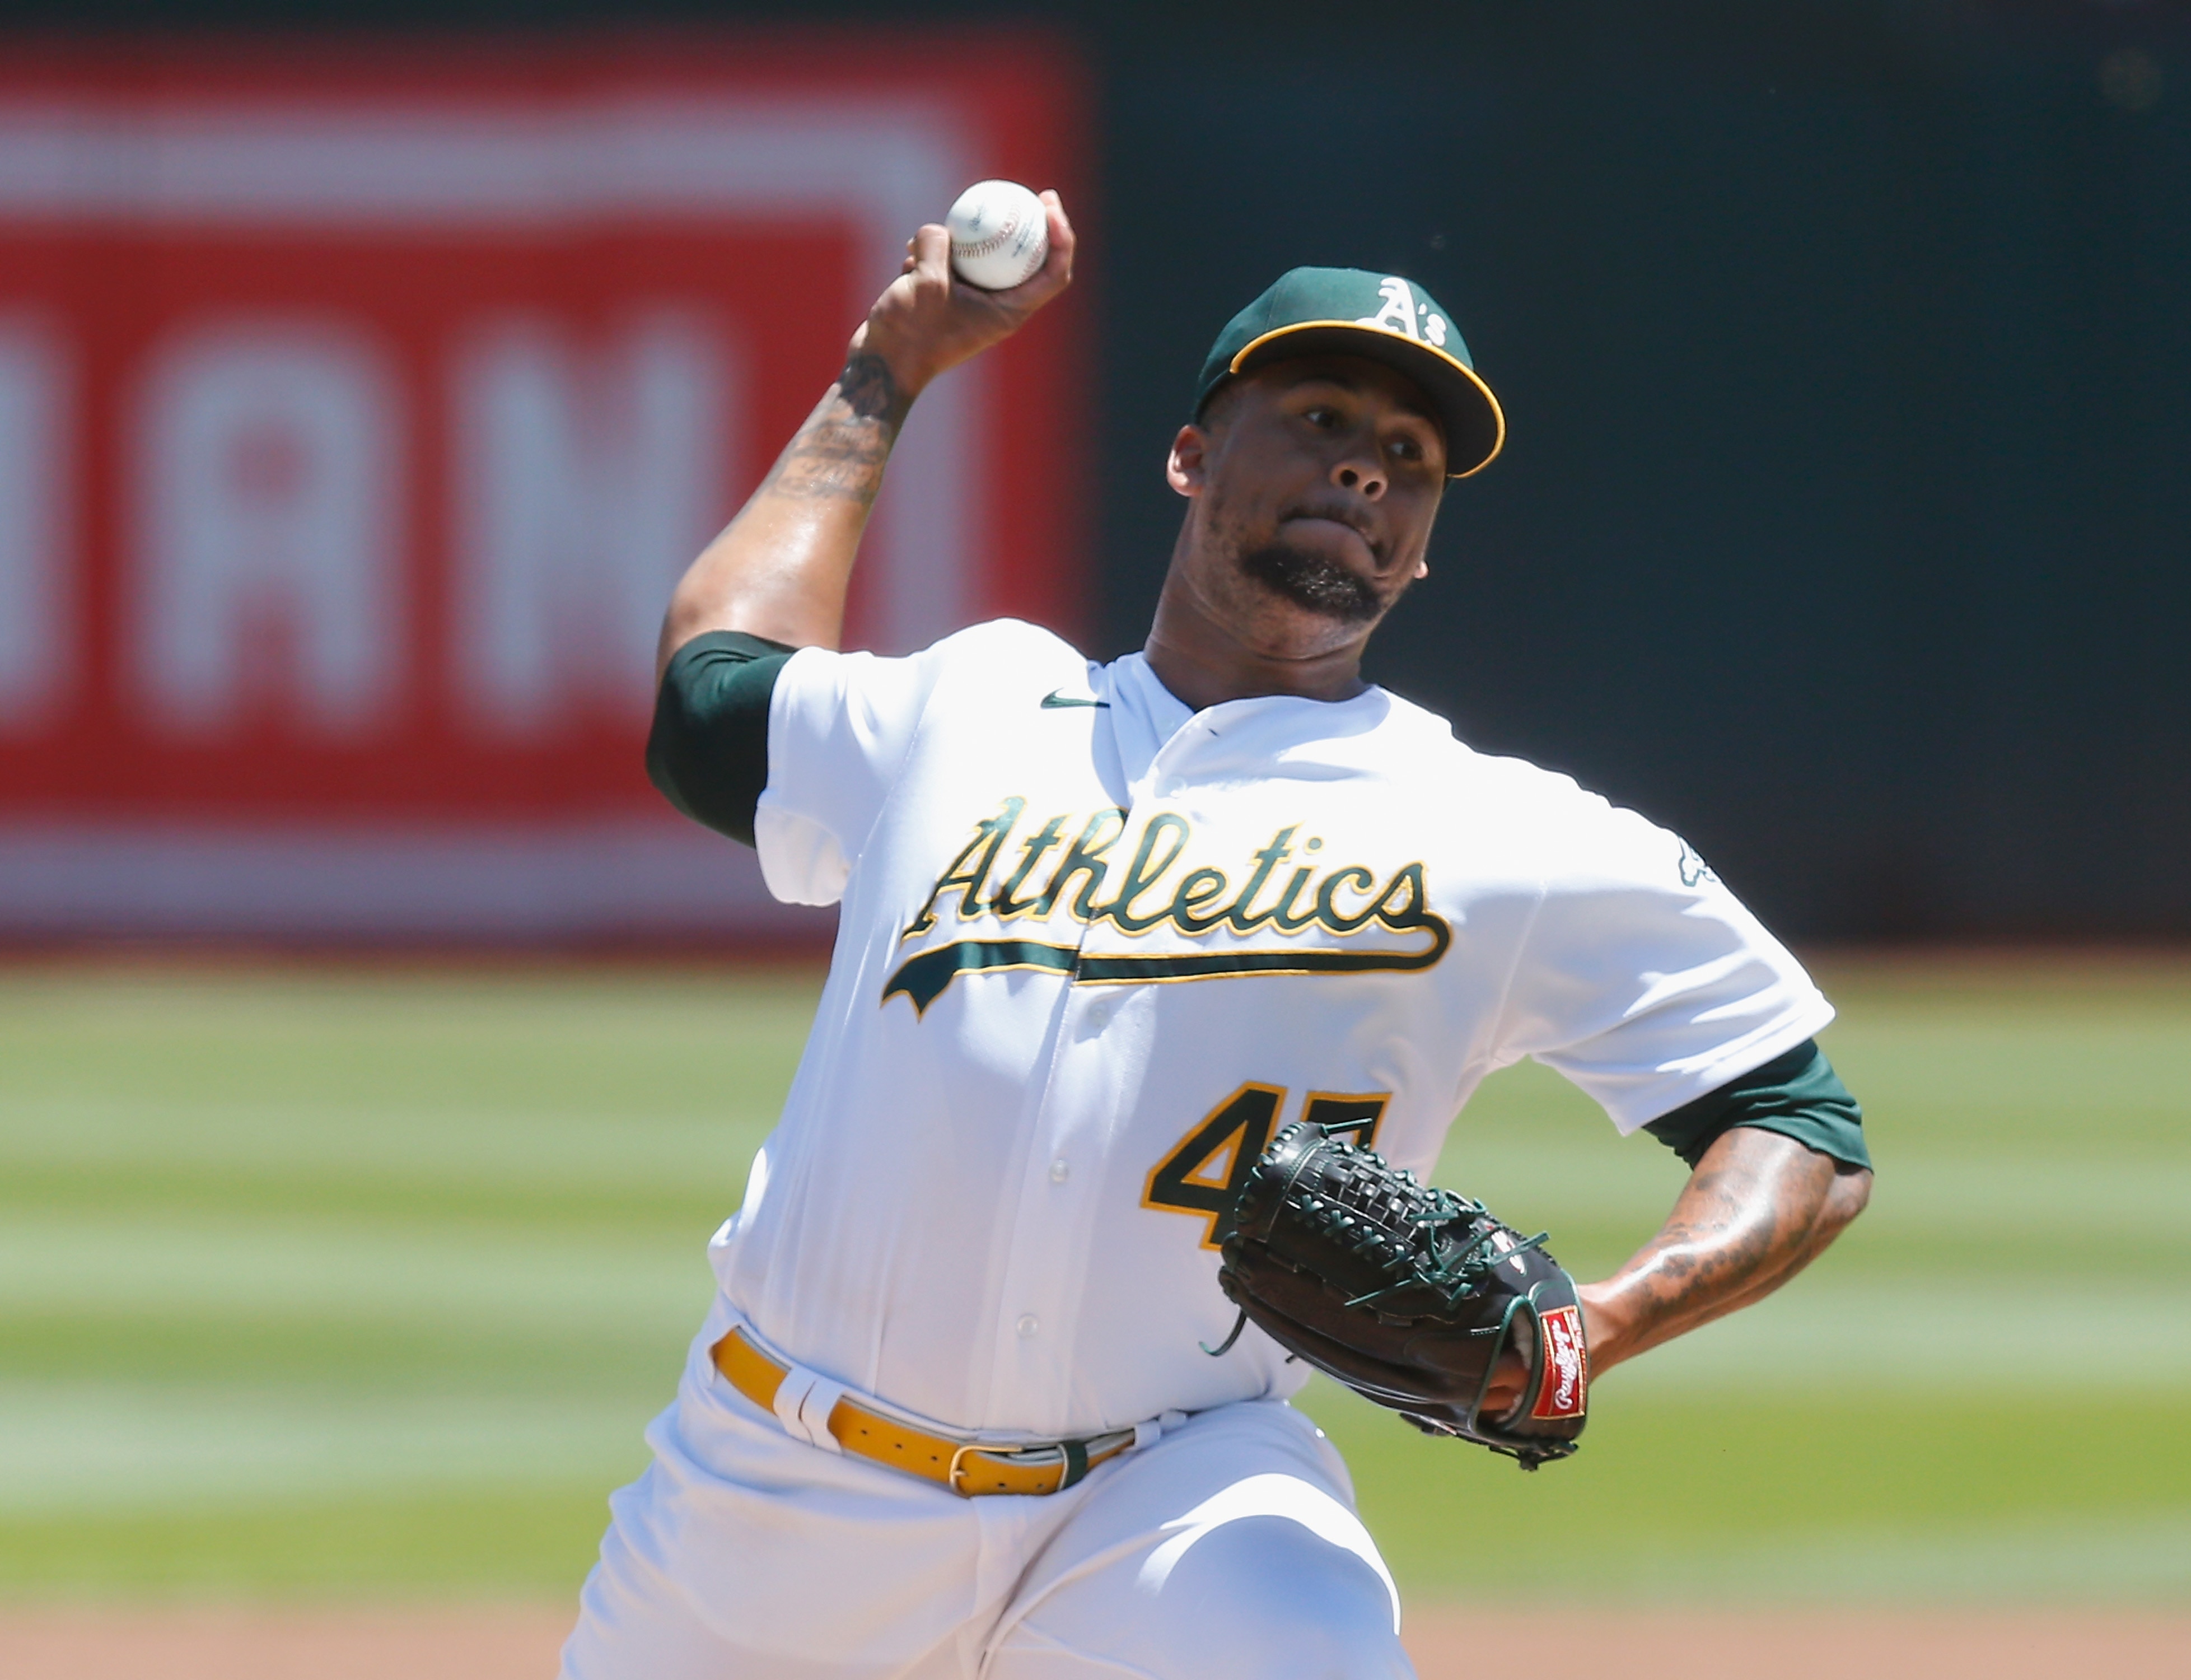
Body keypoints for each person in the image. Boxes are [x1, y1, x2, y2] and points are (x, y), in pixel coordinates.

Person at [562, 192, 1873, 1680]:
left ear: (1423, 548)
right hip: (784, 1484)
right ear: (1190, 453)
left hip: (1174, 1493)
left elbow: (1795, 1122)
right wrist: (887, 369)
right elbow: (713, 697)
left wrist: (1589, 1331)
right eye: (1320, 416)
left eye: (1409, 461)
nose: (1364, 469)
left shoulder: (1496, 830)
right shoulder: (973, 706)